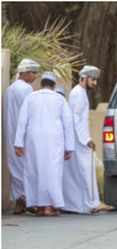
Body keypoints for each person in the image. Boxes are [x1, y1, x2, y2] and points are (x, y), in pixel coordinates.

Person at [14, 72, 75, 216]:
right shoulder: (59, 99)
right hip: (54, 139)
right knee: (52, 171)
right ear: (53, 85)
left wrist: (18, 143)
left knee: (34, 170)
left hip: (33, 139)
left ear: (41, 84)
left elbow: (22, 120)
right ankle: (49, 207)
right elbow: (68, 123)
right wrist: (69, 147)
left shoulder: (30, 97)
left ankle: (40, 207)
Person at [62, 65, 103, 214]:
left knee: (80, 173)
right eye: (93, 79)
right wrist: (86, 139)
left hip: (79, 140)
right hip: (80, 141)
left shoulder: (80, 92)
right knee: (85, 171)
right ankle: (91, 204)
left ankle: (85, 205)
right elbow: (76, 119)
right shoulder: (78, 93)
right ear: (84, 78)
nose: (95, 83)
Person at [5, 58, 40, 214]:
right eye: (33, 73)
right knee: (26, 167)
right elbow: (30, 114)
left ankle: (20, 200)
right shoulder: (26, 89)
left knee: (15, 166)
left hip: (10, 134)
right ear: (24, 73)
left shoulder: (9, 89)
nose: (34, 77)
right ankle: (27, 199)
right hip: (22, 136)